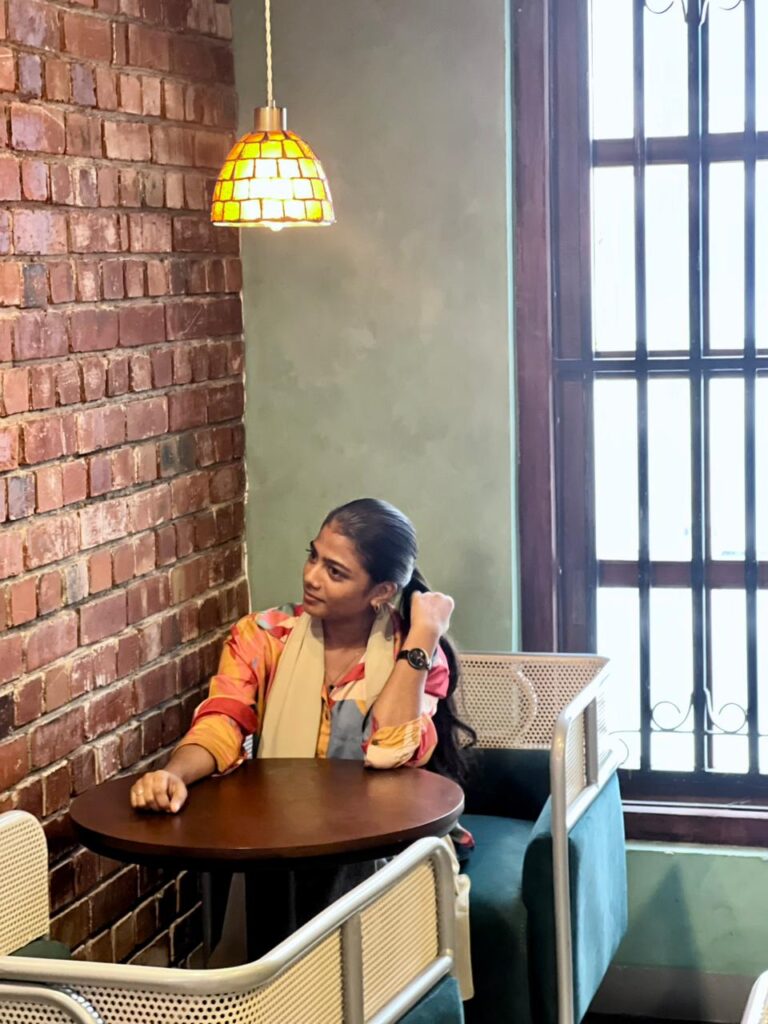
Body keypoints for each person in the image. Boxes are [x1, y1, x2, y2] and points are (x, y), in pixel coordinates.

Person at [129, 497, 476, 813]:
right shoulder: (264, 636)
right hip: (286, 830)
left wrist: (425, 633)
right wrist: (174, 775)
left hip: (387, 839)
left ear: (382, 591)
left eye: (335, 572)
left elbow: (391, 752)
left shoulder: (414, 653)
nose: (311, 577)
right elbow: (222, 722)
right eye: (313, 556)